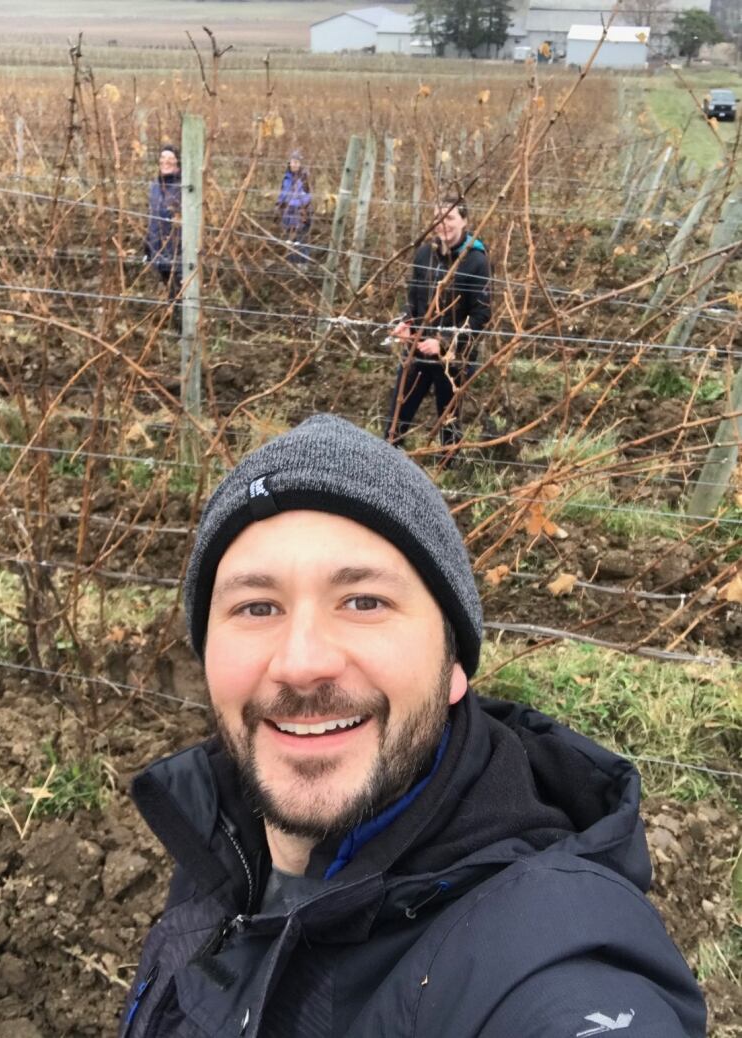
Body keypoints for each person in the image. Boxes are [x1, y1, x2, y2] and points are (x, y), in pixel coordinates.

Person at [120, 415, 706, 1038]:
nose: (300, 663)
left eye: (364, 602)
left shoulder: (547, 967)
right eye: (256, 607)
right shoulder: (221, 832)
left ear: (454, 664)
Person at [385, 198, 491, 459]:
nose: (443, 225)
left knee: (449, 419)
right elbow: (413, 300)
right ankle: (387, 460)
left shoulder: (477, 261)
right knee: (398, 414)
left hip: (453, 357)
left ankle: (447, 469)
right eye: (438, 219)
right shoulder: (424, 254)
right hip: (417, 350)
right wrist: (405, 323)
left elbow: (481, 315)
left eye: (450, 218)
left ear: (465, 220)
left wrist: (443, 342)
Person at [144, 145, 182, 303]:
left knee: (180, 293)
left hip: (177, 253)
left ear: (178, 163)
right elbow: (152, 219)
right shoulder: (154, 187)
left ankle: (182, 324)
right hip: (158, 250)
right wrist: (147, 246)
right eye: (163, 158)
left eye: (170, 158)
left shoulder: (184, 188)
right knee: (170, 294)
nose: (166, 162)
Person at [275, 150, 312, 264]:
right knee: (289, 241)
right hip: (287, 214)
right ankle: (290, 264)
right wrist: (278, 204)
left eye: (297, 162)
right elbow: (283, 193)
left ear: (301, 164)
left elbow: (308, 197)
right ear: (289, 163)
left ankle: (303, 264)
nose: (294, 164)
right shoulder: (286, 178)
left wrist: (294, 203)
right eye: (292, 162)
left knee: (300, 240)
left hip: (301, 214)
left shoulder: (305, 179)